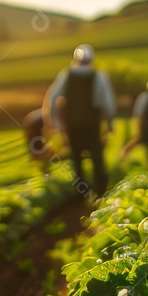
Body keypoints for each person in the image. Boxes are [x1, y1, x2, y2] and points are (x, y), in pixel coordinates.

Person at [43, 44, 117, 197]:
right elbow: (108, 104)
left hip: (73, 126)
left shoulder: (66, 75)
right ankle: (101, 193)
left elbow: (52, 97)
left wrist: (56, 124)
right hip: (92, 125)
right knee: (97, 159)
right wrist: (109, 124)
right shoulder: (99, 76)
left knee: (77, 160)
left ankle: (81, 195)